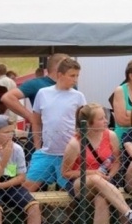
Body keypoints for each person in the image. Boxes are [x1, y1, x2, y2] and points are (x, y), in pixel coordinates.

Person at [61, 104, 132, 224]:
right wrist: (93, 172)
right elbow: (66, 172)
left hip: (105, 181)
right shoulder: (75, 143)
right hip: (80, 184)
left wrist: (110, 175)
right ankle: (130, 215)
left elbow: (117, 161)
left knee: (101, 199)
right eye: (101, 119)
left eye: (105, 117)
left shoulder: (110, 136)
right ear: (89, 124)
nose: (106, 121)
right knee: (95, 179)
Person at [24, 58, 87, 193]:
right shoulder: (43, 93)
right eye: (72, 75)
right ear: (60, 75)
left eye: (77, 76)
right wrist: (37, 146)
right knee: (27, 189)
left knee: (71, 193)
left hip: (69, 155)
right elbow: (36, 121)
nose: (75, 79)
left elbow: (83, 124)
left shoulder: (78, 96)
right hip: (46, 152)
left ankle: (70, 214)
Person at [0, 114, 42, 224]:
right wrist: (4, 154)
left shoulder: (17, 149)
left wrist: (4, 184)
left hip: (10, 183)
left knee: (34, 206)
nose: (10, 135)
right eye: (6, 132)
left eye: (12, 131)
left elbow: (21, 176)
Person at [1, 53, 69, 162]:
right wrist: (31, 117)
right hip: (40, 137)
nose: (71, 66)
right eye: (68, 64)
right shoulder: (37, 84)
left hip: (64, 139)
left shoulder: (70, 85)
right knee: (38, 173)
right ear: (58, 66)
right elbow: (8, 97)